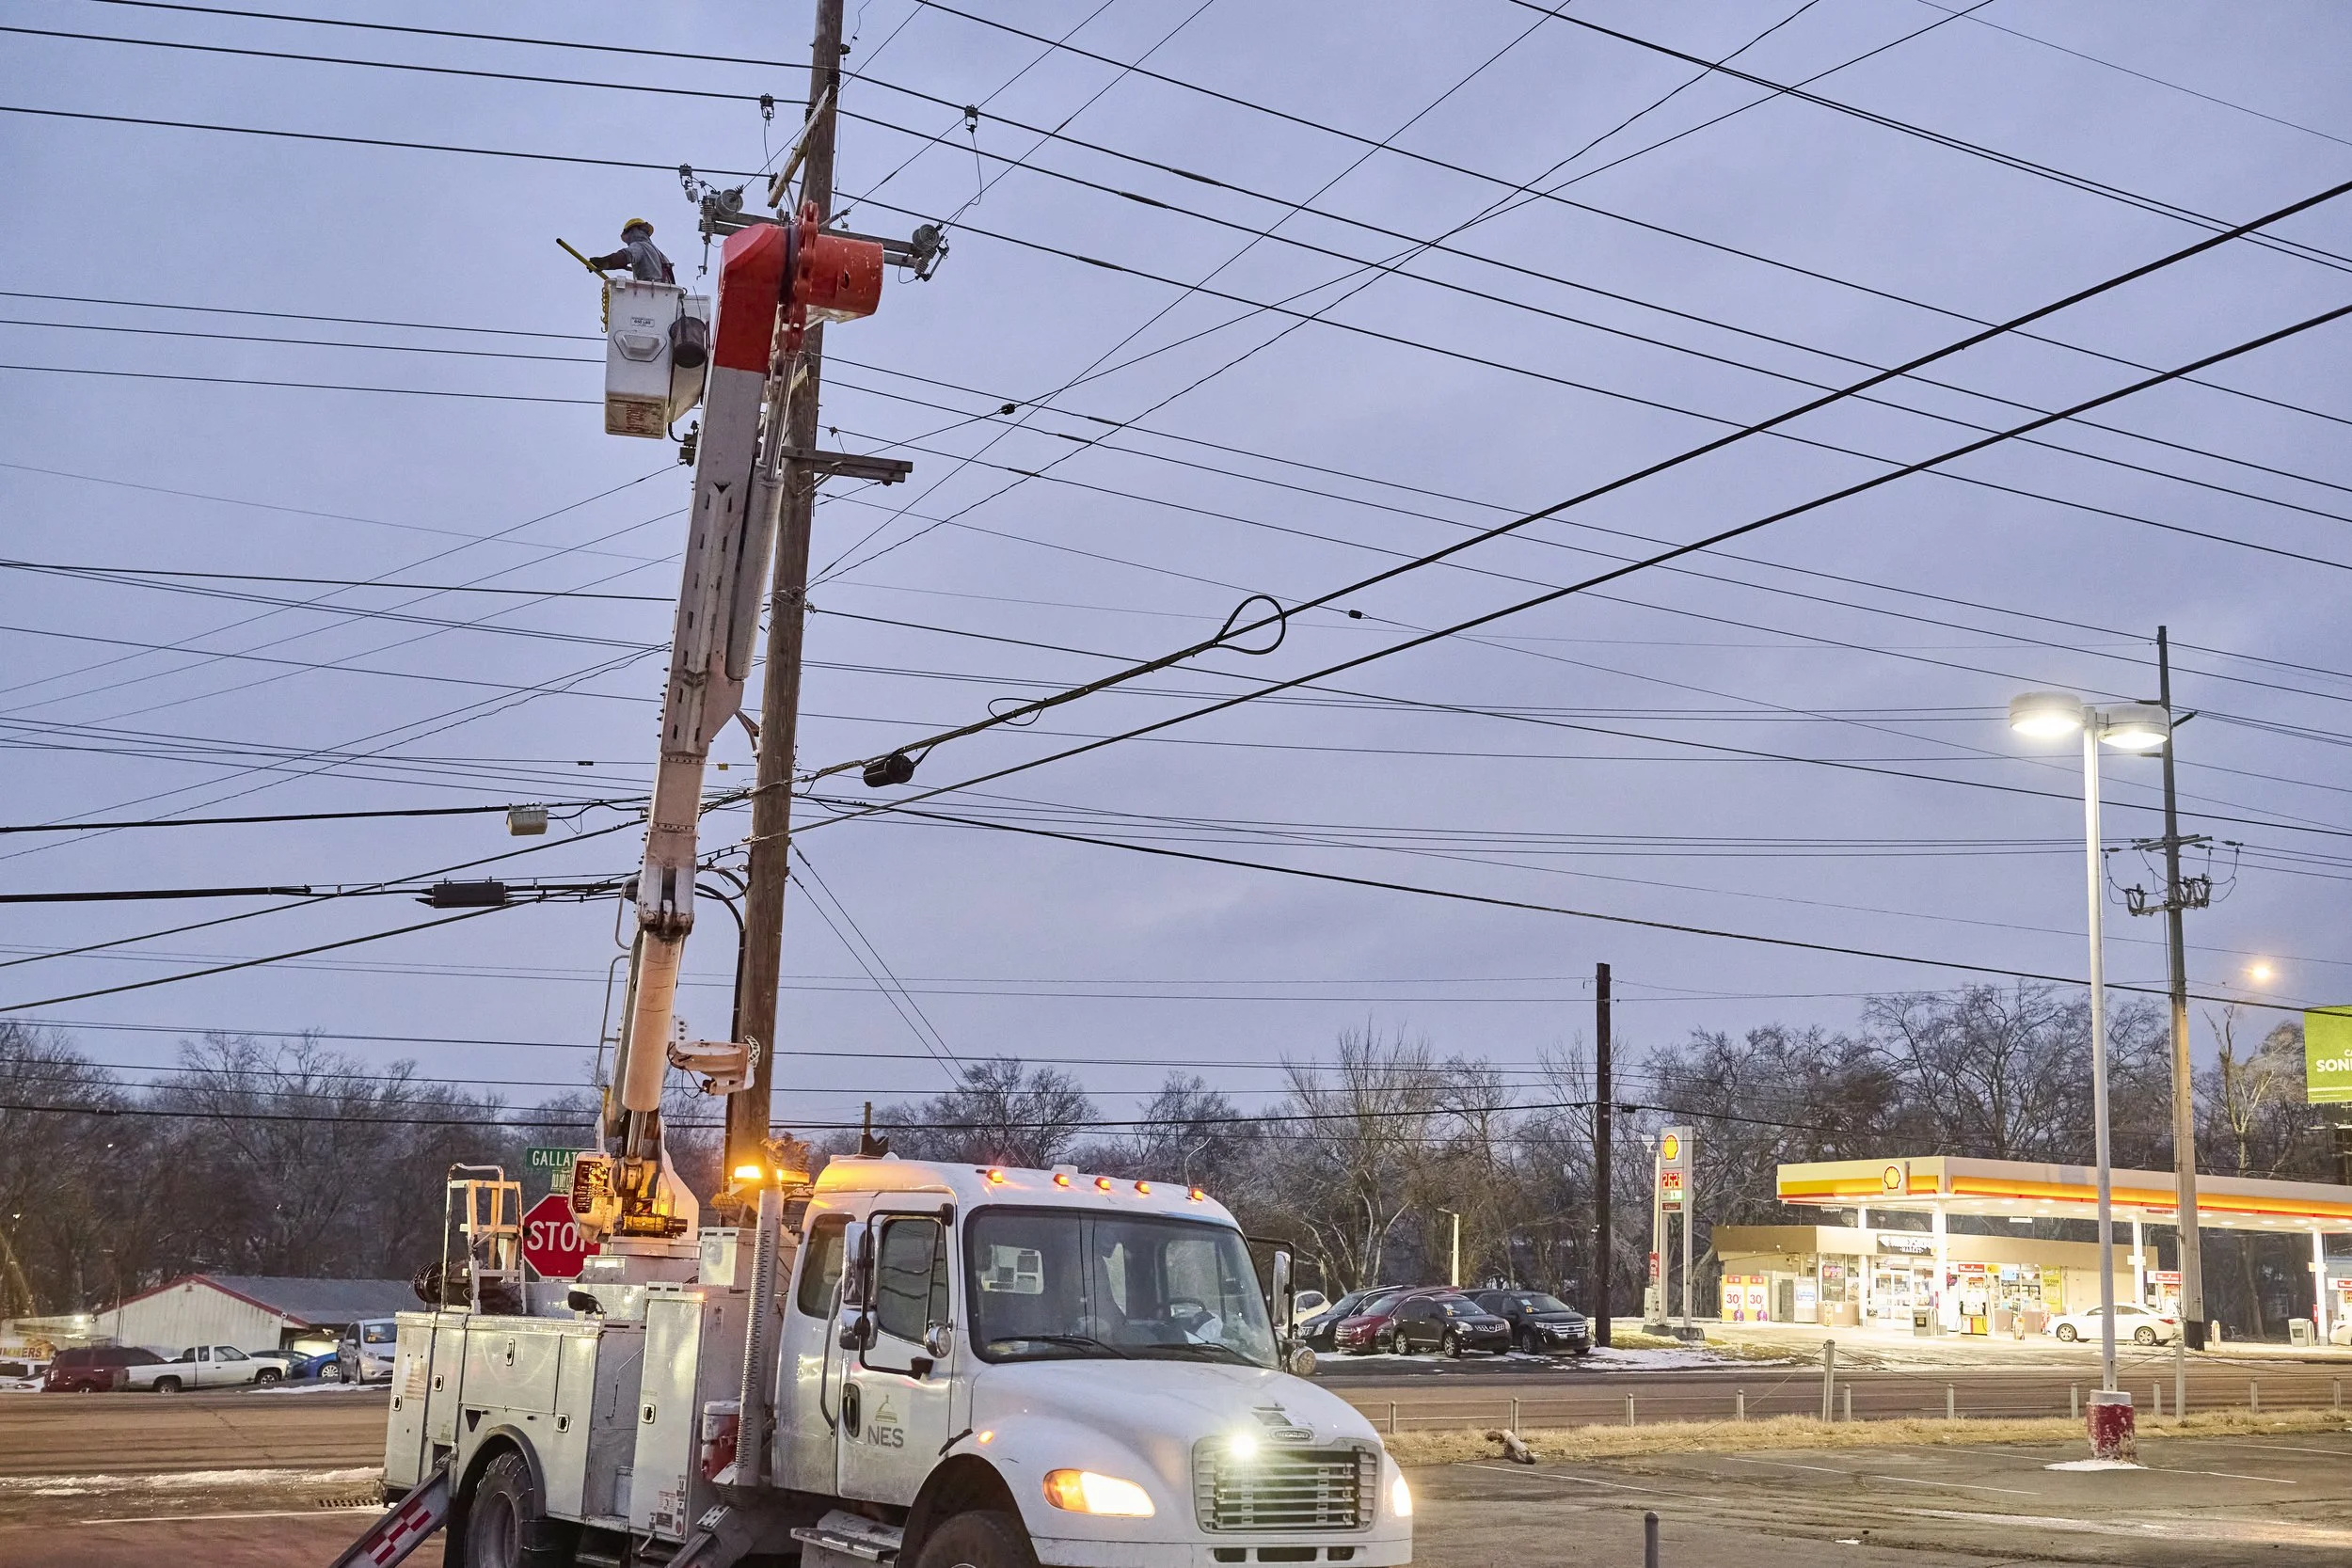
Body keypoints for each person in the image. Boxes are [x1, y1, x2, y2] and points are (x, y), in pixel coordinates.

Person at [590, 218, 675, 284]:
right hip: (666, 297)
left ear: (634, 231)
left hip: (650, 295)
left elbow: (626, 256)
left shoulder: (640, 246)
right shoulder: (659, 254)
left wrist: (604, 262)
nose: (628, 241)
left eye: (628, 235)